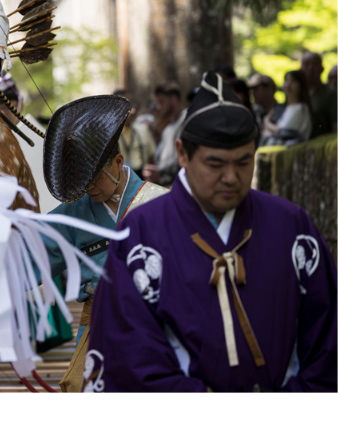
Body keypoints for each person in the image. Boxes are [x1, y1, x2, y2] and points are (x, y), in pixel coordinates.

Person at [83, 72, 336, 392]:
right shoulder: (141, 233)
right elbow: (127, 351)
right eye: (215, 164)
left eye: (244, 162)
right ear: (183, 154)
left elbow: (328, 342)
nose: (231, 177)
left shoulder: (292, 226)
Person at [40, 95, 168, 392]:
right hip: (99, 324)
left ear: (118, 162)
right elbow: (30, 254)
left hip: (158, 320)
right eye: (81, 182)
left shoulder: (164, 203)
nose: (88, 188)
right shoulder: (73, 212)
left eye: (93, 178)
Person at [143, 82, 186, 187]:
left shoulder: (187, 119)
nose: (159, 107)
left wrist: (160, 172)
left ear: (174, 98)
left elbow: (187, 156)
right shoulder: (168, 128)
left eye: (161, 102)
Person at [261, 70, 312, 146]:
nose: (288, 84)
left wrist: (267, 122)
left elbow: (284, 133)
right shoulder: (283, 108)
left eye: (293, 81)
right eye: (286, 80)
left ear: (301, 85)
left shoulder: (301, 108)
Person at [113, 89, 156, 179]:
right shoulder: (111, 135)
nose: (130, 110)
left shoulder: (143, 130)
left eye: (130, 105)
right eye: (123, 106)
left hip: (141, 178)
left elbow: (151, 158)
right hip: (119, 179)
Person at [300, 51, 337, 138]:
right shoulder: (297, 94)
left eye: (314, 64)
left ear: (322, 68)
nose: (310, 68)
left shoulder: (331, 93)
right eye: (306, 64)